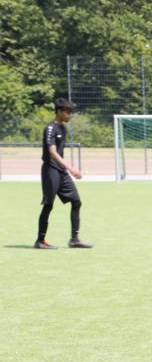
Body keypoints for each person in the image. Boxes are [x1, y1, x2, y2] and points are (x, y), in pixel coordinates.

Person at [36, 97, 92, 249]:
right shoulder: (50, 128)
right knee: (48, 205)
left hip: (61, 171)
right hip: (50, 170)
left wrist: (65, 169)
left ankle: (74, 239)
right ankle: (40, 241)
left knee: (76, 201)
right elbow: (53, 152)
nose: (70, 115)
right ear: (59, 111)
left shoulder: (63, 128)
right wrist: (71, 169)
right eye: (68, 112)